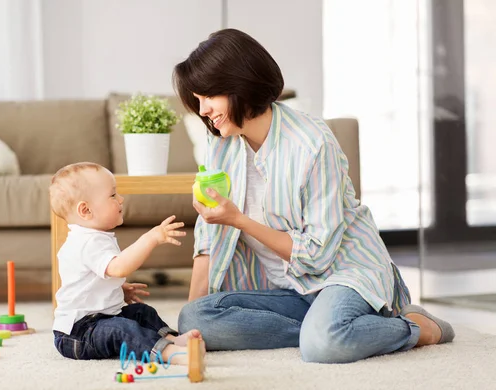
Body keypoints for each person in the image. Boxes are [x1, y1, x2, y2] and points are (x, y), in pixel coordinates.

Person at [173, 28, 455, 363]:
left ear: (239, 84)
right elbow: (209, 238)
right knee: (194, 318)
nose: (203, 110)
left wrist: (240, 221)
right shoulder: (219, 142)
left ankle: (416, 328)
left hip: (342, 275)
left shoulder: (312, 143)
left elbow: (318, 255)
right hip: (289, 290)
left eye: (208, 97)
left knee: (324, 345)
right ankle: (338, 327)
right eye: (198, 100)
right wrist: (184, 335)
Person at [49, 162, 203, 364]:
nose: (120, 199)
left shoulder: (94, 237)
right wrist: (150, 239)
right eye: (113, 195)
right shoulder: (87, 242)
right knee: (121, 329)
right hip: (78, 334)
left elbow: (92, 279)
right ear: (85, 210)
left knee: (140, 312)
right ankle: (168, 353)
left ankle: (172, 339)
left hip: (101, 318)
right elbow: (119, 267)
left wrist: (119, 290)